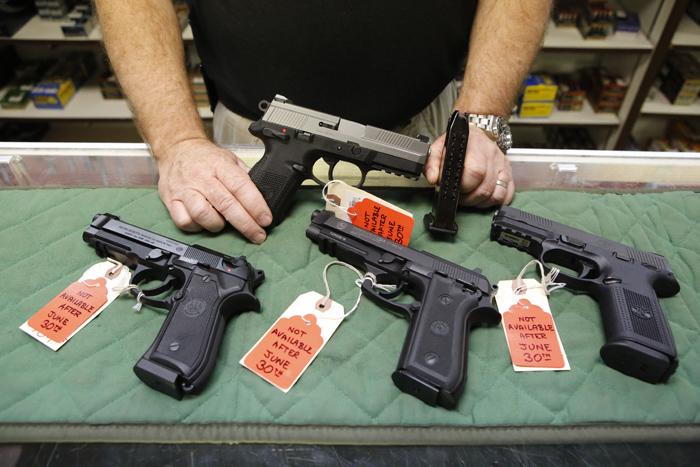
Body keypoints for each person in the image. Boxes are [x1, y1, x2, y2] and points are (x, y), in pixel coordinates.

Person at [95, 0, 552, 243]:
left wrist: (481, 119)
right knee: (253, 229)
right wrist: (176, 140)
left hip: (430, 133)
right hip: (254, 137)